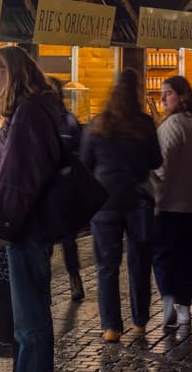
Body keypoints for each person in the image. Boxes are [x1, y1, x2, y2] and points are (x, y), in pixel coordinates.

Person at [0, 46, 61, 369]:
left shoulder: (28, 114)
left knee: (30, 324)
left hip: (26, 228)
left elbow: (19, 179)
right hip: (27, 226)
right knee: (29, 320)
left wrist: (6, 226)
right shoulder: (28, 111)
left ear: (10, 73)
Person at [80, 69, 161, 342]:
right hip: (138, 201)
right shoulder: (144, 124)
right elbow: (156, 161)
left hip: (104, 202)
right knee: (139, 262)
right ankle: (139, 320)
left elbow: (85, 164)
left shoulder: (97, 124)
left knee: (107, 265)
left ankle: (111, 326)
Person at [152, 76, 192, 329]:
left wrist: (153, 193)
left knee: (163, 254)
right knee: (189, 257)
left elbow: (162, 167)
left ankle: (168, 299)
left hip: (171, 204)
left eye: (168, 93)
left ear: (182, 96)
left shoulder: (173, 125)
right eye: (162, 93)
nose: (163, 98)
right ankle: (185, 308)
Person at [48, 76, 85, 301]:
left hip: (63, 187)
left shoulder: (67, 121)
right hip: (46, 188)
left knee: (67, 239)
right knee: (49, 242)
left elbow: (79, 154)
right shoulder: (42, 119)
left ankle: (74, 278)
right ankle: (48, 284)